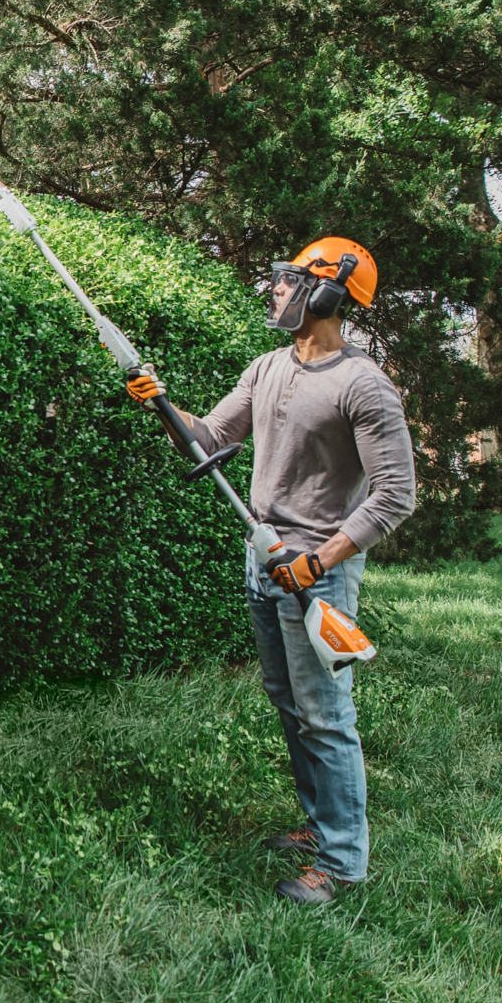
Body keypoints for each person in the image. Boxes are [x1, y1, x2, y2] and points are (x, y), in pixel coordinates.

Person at [123, 238, 415, 904]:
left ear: (328, 295)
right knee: (290, 705)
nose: (276, 292)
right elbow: (210, 438)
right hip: (263, 559)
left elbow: (396, 494)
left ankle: (343, 863)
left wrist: (320, 559)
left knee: (325, 715)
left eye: (289, 282)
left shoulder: (362, 386)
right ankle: (320, 829)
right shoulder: (266, 368)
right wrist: (163, 406)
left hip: (317, 572)